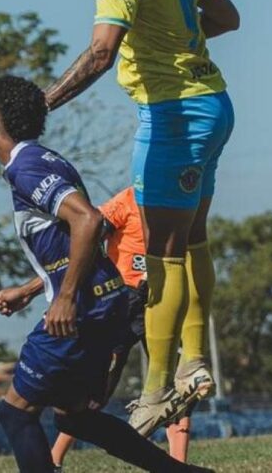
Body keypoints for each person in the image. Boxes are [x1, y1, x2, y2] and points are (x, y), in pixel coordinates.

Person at [42, 0, 240, 437]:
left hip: (172, 117)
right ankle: (194, 360)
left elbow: (101, 52)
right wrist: (174, 41)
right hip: (215, 104)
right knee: (194, 237)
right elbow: (227, 18)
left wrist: (44, 103)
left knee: (162, 255)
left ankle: (155, 391)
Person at [0, 75, 213, 473]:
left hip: (82, 309)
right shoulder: (49, 159)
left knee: (16, 414)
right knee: (75, 417)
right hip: (105, 300)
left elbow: (89, 221)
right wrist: (35, 287)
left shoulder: (27, 167)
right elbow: (91, 229)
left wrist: (65, 297)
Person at [50, 187, 195, 469]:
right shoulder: (126, 199)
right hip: (125, 299)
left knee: (176, 382)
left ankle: (180, 464)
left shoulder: (180, 201)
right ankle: (54, 457)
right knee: (100, 381)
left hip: (163, 299)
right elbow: (91, 230)